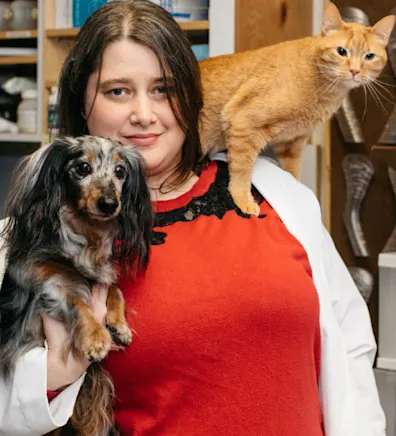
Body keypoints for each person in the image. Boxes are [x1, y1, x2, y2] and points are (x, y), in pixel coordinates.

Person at [0, 1, 386, 435]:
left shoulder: (277, 198)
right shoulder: (44, 240)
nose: (144, 114)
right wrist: (54, 373)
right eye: (117, 91)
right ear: (81, 103)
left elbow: (351, 344)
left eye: (163, 89)